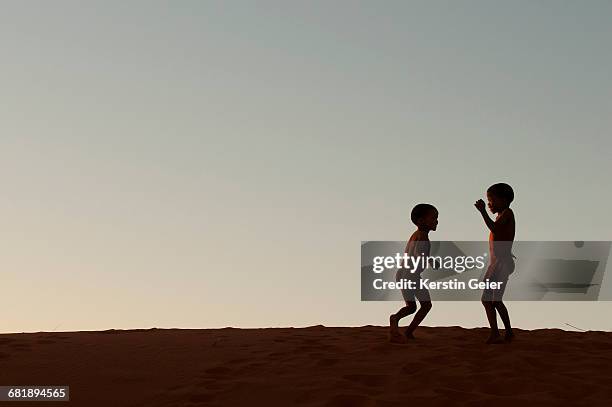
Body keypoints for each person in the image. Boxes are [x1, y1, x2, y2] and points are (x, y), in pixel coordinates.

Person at [389, 203, 437, 343]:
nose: (436, 221)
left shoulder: (416, 235)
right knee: (426, 305)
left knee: (411, 307)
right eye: (433, 218)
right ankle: (406, 330)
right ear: (421, 221)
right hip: (411, 276)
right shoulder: (422, 236)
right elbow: (418, 253)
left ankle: (398, 322)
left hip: (403, 274)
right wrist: (430, 260)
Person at [475, 183, 516, 344]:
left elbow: (495, 228)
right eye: (488, 201)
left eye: (492, 200)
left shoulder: (508, 213)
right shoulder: (501, 215)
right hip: (495, 265)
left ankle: (508, 332)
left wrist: (483, 212)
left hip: (502, 264)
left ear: (504, 200)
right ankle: (495, 333)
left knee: (495, 300)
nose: (490, 204)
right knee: (487, 300)